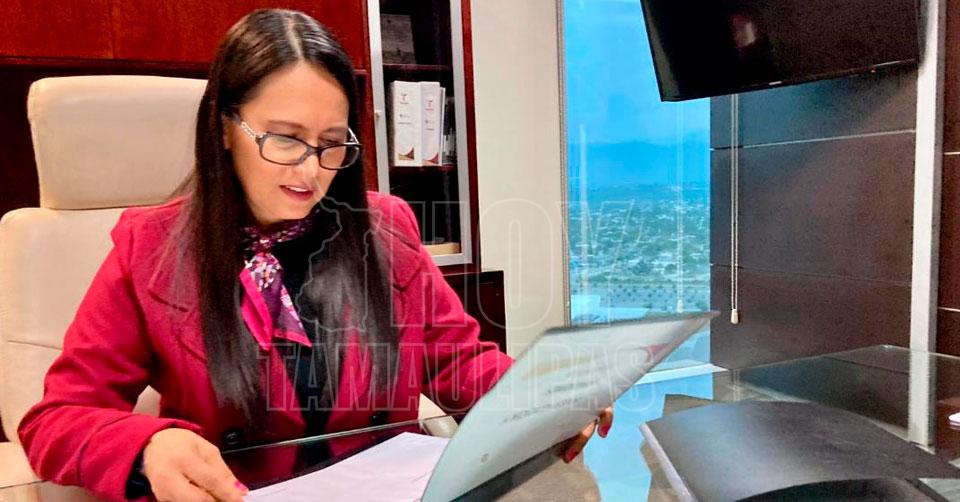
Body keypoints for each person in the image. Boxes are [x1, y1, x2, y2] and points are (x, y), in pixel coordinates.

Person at [17, 9, 612, 502]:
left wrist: (541, 397)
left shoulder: (383, 228)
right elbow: (57, 420)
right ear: (224, 128)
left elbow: (457, 360)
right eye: (284, 138)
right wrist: (147, 447)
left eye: (331, 143)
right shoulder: (151, 247)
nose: (310, 171)